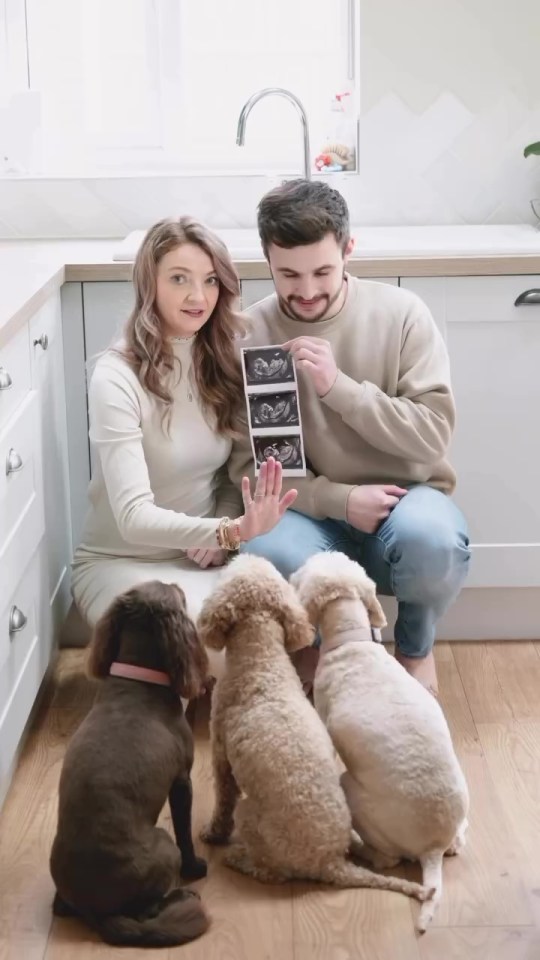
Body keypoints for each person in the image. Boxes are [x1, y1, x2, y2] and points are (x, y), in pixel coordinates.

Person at [228, 180, 470, 696]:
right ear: (267, 260)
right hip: (306, 510)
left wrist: (338, 389)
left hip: (404, 501)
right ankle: (316, 649)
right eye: (288, 274)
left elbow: (431, 436)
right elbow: (250, 467)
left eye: (322, 271)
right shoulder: (250, 334)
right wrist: (339, 500)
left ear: (348, 250)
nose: (308, 290)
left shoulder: (403, 314)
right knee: (265, 546)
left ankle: (413, 650)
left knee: (434, 543)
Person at [71, 217, 297, 631]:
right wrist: (228, 531)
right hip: (122, 561)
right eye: (179, 278)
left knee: (257, 643)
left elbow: (229, 477)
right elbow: (133, 517)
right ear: (149, 284)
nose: (198, 296)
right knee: (178, 645)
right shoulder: (116, 374)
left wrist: (219, 541)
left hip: (204, 558)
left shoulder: (223, 360)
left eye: (211, 280)